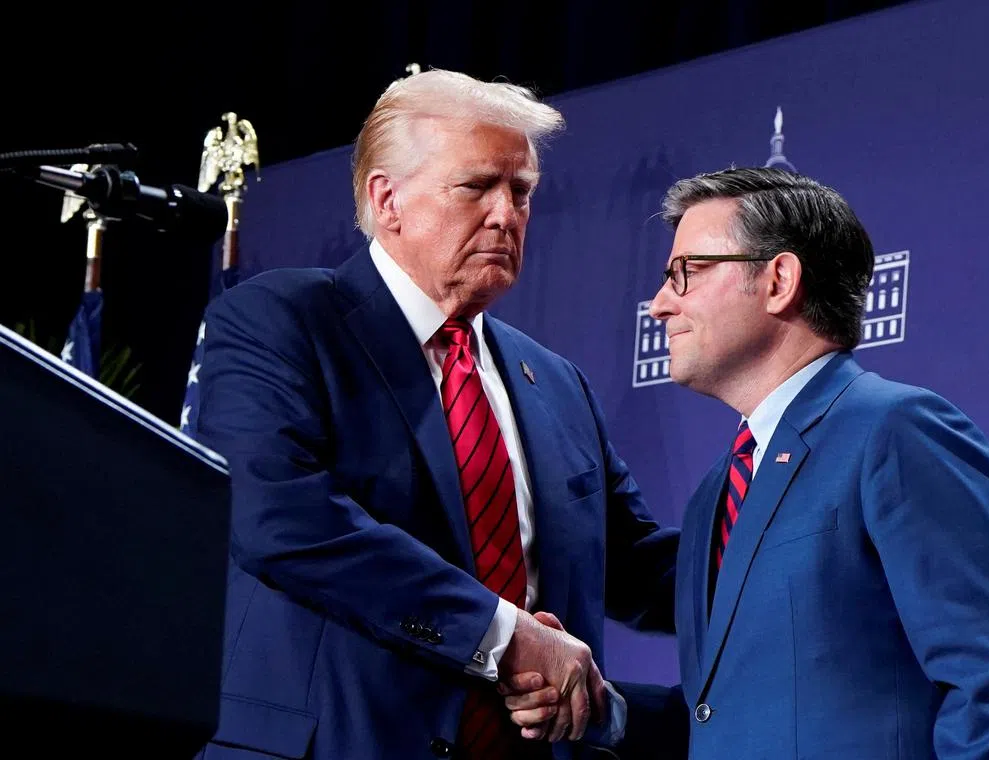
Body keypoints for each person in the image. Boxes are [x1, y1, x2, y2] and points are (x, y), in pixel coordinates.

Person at [191, 68, 678, 760]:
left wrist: (790, 547)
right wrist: (503, 637)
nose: (507, 214)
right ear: (387, 200)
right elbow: (282, 520)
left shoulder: (556, 383)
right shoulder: (281, 322)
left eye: (522, 192)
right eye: (477, 186)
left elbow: (632, 567)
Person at [506, 167, 989, 759]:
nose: (660, 305)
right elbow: (720, 720)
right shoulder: (720, 488)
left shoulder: (896, 432)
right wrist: (602, 709)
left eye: (685, 273)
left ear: (779, 280)